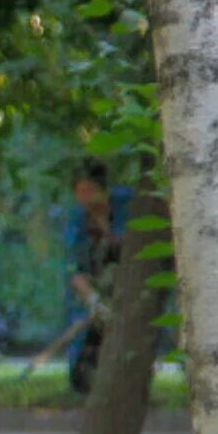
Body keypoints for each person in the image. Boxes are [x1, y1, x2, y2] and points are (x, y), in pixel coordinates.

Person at [64, 161, 133, 393]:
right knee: (86, 344)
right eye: (79, 191)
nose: (84, 198)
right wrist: (93, 299)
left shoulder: (127, 207)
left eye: (89, 190)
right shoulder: (77, 222)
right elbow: (73, 269)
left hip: (129, 288)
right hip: (96, 291)